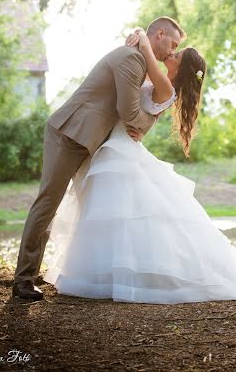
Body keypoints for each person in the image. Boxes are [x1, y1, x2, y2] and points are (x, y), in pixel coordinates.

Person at [42, 30, 236, 304]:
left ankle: (128, 276)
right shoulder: (159, 81)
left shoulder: (165, 86)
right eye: (173, 47)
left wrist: (142, 35)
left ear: (181, 67)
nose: (172, 52)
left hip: (119, 149)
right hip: (112, 144)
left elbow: (143, 76)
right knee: (112, 213)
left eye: (178, 53)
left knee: (121, 211)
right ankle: (112, 272)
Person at [12, 16, 185, 300]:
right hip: (70, 133)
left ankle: (84, 272)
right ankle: (23, 280)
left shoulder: (141, 62)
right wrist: (144, 125)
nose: (172, 50)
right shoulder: (132, 59)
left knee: (91, 207)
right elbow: (129, 113)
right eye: (173, 43)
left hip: (90, 140)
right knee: (48, 202)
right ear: (160, 34)